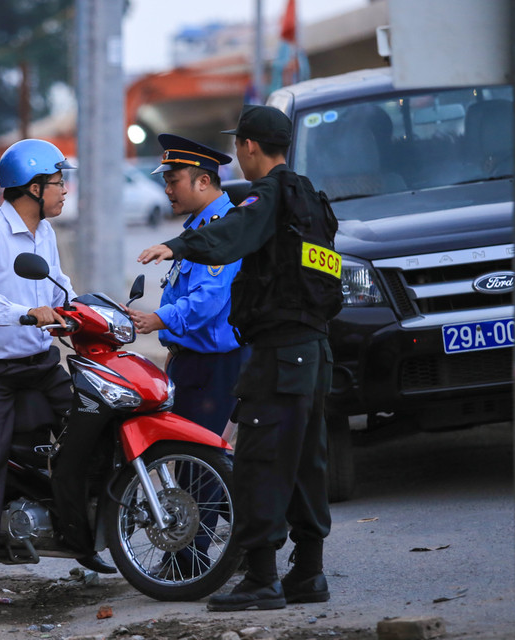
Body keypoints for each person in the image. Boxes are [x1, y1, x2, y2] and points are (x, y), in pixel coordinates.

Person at [138, 105, 340, 611]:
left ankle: (263, 579)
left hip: (278, 353)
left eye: (238, 147)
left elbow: (234, 236)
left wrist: (177, 244)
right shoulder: (310, 198)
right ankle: (309, 574)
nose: (237, 156)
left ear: (250, 147)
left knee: (260, 462)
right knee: (305, 461)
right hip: (315, 350)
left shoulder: (266, 197)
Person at [0, 139, 110, 623]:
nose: (64, 191)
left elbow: (56, 283)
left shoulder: (44, 234)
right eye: (58, 183)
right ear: (32, 188)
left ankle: (79, 540)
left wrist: (84, 312)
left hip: (37, 367)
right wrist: (23, 315)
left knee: (91, 429)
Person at [127, 134, 246, 579]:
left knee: (201, 466)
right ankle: (204, 554)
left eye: (173, 179)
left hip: (216, 365)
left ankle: (189, 562)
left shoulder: (223, 229)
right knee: (193, 463)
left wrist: (156, 319)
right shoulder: (198, 230)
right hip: (192, 362)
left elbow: (208, 302)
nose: (166, 188)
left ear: (202, 180)